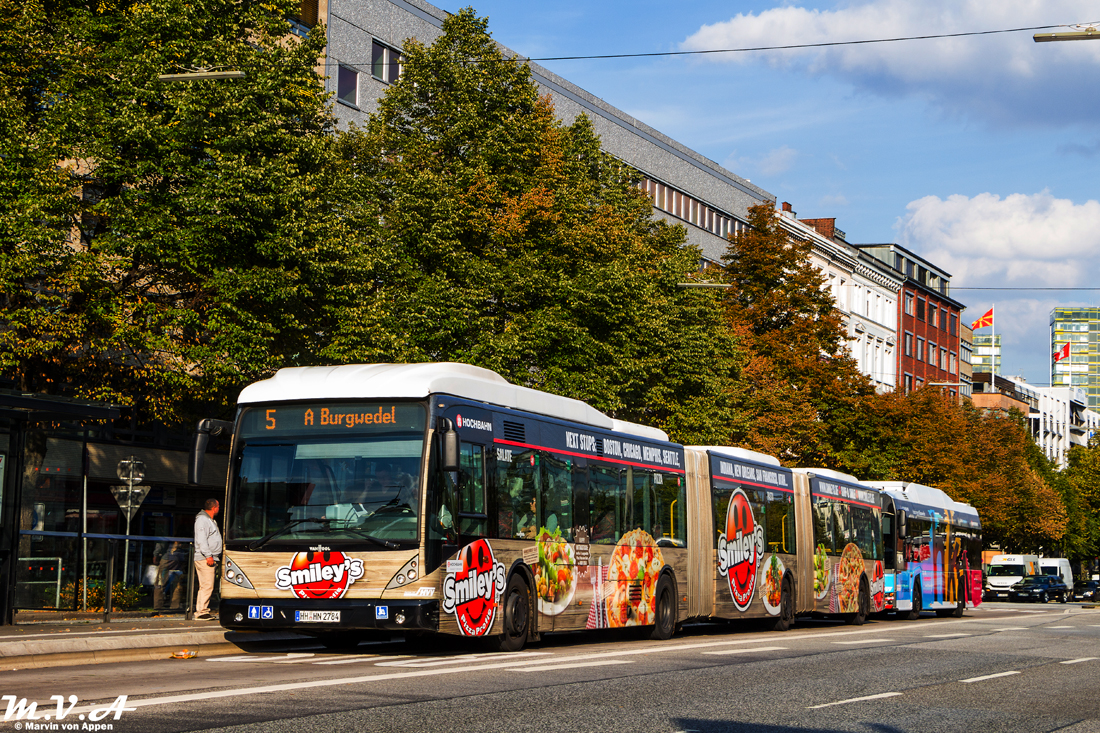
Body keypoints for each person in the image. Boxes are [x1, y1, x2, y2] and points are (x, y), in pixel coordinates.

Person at [194, 498, 223, 620]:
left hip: (209, 557)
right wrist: (208, 555)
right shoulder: (203, 520)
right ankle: (201, 612)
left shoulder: (209, 520)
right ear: (214, 507)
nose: (219, 508)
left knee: (207, 585)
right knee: (207, 585)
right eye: (218, 506)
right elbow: (201, 539)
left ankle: (202, 610)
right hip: (205, 558)